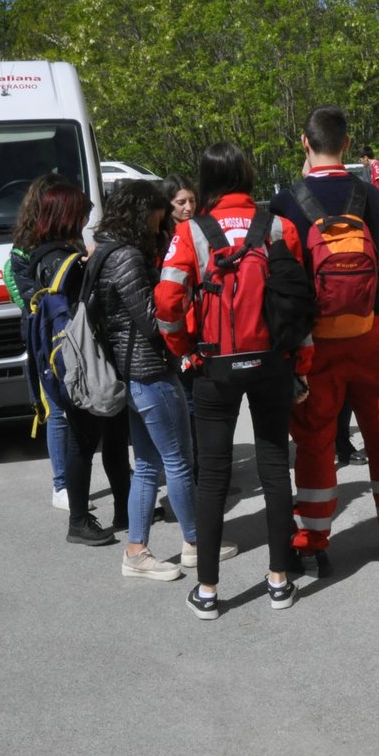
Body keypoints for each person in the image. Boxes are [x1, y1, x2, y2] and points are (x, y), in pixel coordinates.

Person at [155, 143, 310, 619]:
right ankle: (280, 580)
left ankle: (207, 591)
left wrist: (183, 351)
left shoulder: (189, 232)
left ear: (205, 181)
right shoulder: (280, 227)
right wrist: (300, 365)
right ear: (246, 174)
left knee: (214, 475)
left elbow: (166, 301)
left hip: (214, 366)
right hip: (272, 363)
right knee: (272, 464)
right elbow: (298, 303)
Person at [270, 106, 379, 565]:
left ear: (305, 143)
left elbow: (288, 279)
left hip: (316, 343)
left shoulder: (287, 201)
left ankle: (313, 540)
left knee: (315, 440)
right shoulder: (368, 195)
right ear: (346, 141)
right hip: (368, 330)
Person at [92, 179, 238, 580]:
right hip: (150, 371)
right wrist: (186, 300)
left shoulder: (106, 250)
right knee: (177, 460)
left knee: (149, 465)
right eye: (159, 215)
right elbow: (154, 320)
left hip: (131, 372)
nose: (162, 223)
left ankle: (137, 551)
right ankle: (195, 542)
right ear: (143, 213)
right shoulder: (127, 258)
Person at [25, 184, 132, 546]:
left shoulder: (47, 255)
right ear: (67, 215)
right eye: (83, 213)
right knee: (83, 441)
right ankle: (78, 520)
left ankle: (124, 507)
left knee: (114, 434)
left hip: (78, 358)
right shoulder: (60, 260)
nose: (87, 220)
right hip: (82, 361)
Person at [5, 172, 90, 513]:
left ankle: (78, 477)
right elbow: (29, 298)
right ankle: (61, 484)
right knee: (57, 411)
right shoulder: (24, 252)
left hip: (72, 334)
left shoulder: (71, 241)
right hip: (47, 336)